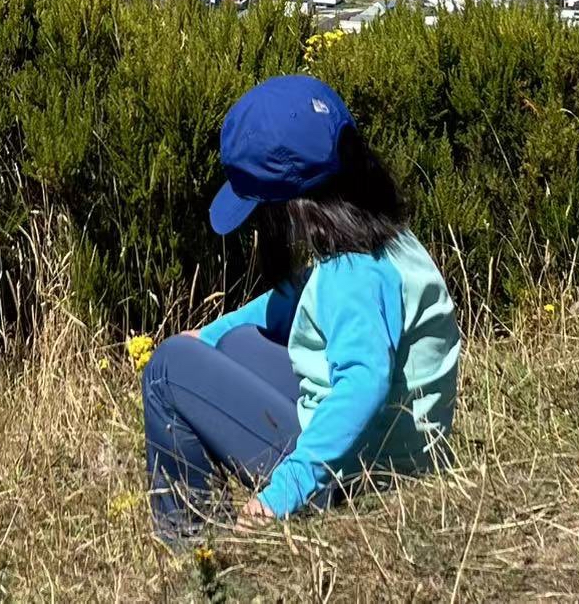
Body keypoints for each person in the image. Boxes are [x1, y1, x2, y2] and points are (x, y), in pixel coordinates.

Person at [141, 74, 460, 540]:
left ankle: (192, 545)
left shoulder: (352, 275)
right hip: (395, 452)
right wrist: (207, 337)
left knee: (168, 368)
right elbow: (295, 301)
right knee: (234, 342)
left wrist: (284, 493)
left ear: (290, 203)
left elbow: (364, 381)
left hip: (362, 475)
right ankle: (209, 522)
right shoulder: (379, 240)